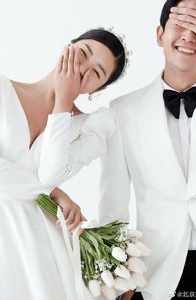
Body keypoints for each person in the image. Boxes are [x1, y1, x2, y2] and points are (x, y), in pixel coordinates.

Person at [98, 0, 196, 299]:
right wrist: (116, 276)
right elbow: (113, 204)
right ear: (159, 34)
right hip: (156, 275)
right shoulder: (123, 111)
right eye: (181, 24)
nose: (189, 36)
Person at [0, 28, 127, 300]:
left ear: (98, 90)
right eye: (82, 54)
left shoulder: (91, 129)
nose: (82, 69)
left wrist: (63, 102)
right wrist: (55, 193)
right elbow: (48, 186)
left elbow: (50, 174)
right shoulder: (3, 88)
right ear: (67, 47)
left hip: (39, 243)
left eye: (97, 73)